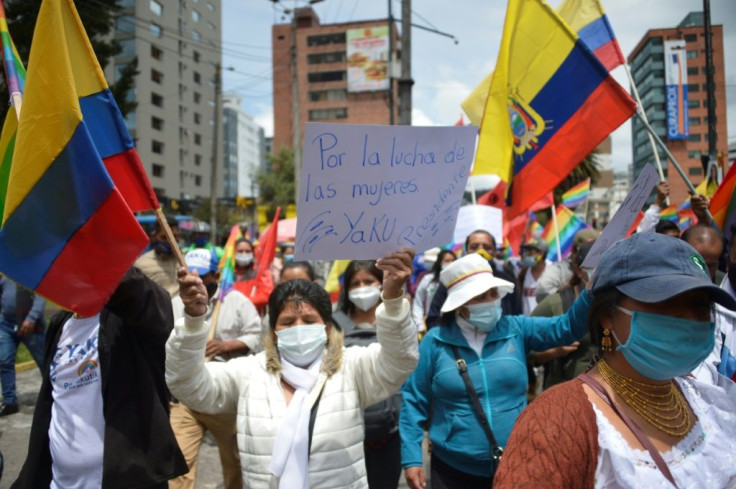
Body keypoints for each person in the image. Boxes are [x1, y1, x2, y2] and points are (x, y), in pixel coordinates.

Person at [494, 233, 736, 489]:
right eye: (664, 301)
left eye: (699, 304)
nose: (688, 320)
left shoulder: (709, 400)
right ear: (608, 315)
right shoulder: (555, 424)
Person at [166, 249, 419, 488]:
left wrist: (394, 300)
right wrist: (192, 321)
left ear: (327, 327)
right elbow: (188, 384)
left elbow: (400, 361)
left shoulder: (351, 366)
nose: (299, 327)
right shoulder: (249, 372)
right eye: (288, 321)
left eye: (309, 320)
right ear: (274, 332)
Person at [401, 253, 592, 489]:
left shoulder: (516, 328)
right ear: (460, 305)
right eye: (481, 296)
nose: (491, 300)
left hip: (516, 463)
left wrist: (591, 291)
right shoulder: (435, 342)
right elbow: (413, 400)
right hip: (452, 472)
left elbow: (568, 327)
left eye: (493, 293)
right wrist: (411, 456)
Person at [12, 268, 187, 488]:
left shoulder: (132, 321)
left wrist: (103, 256)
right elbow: (54, 404)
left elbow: (143, 297)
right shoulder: (60, 325)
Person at [169, 249, 262, 489]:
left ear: (217, 275)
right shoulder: (174, 303)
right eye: (189, 274)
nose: (195, 281)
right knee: (178, 463)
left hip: (224, 397)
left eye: (203, 276)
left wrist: (227, 344)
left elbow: (255, 336)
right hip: (186, 400)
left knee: (237, 462)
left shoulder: (237, 301)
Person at [332, 260, 405, 489]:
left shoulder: (395, 321)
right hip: (343, 434)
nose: (362, 288)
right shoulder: (333, 326)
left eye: (368, 281)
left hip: (390, 435)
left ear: (380, 283)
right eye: (355, 283)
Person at [530, 240, 597, 390]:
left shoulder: (617, 302)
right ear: (578, 270)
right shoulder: (556, 303)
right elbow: (525, 350)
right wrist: (553, 352)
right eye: (593, 267)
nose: (599, 272)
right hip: (564, 393)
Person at [426, 230, 521, 327]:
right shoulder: (453, 283)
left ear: (494, 252)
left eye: (487, 247)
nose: (480, 251)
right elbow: (434, 319)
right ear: (466, 251)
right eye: (474, 247)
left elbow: (517, 316)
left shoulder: (507, 280)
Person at [0, 277, 46, 416]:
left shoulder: (31, 272)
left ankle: (53, 397)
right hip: (6, 324)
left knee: (44, 362)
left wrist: (31, 318)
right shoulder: (6, 274)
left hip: (32, 325)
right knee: (4, 361)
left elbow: (41, 295)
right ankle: (9, 402)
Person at [536, 228, 598, 303]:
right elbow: (542, 293)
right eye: (585, 253)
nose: (591, 262)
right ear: (573, 251)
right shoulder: (558, 271)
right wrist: (564, 295)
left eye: (596, 253)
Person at [135, 214, 182, 297]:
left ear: (179, 237)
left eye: (174, 237)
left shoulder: (186, 262)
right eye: (164, 237)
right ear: (154, 237)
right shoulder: (141, 265)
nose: (170, 242)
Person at [412, 250, 456, 332]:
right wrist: (419, 324)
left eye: (453, 260)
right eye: (447, 261)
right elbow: (418, 302)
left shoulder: (457, 281)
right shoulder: (428, 280)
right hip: (431, 323)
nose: (450, 263)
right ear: (440, 262)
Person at [517, 238, 549, 316]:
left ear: (541, 254)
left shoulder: (553, 271)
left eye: (530, 252)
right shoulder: (523, 273)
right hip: (527, 324)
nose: (527, 254)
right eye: (527, 251)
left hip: (547, 323)